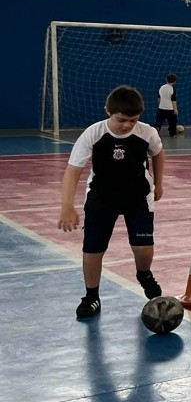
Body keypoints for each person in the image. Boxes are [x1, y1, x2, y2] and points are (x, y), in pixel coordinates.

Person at [58, 85, 165, 318]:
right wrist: (67, 206)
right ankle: (91, 296)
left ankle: (144, 274)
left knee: (143, 248)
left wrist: (159, 183)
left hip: (138, 196)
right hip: (102, 197)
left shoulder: (147, 133)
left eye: (133, 120)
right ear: (108, 111)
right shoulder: (93, 133)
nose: (127, 125)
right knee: (93, 248)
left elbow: (158, 153)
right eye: (121, 120)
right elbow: (73, 171)